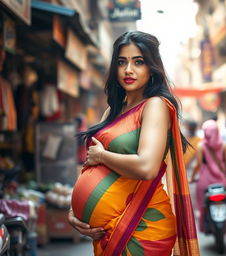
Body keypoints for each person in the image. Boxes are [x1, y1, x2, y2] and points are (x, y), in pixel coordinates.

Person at [68, 31, 200, 255]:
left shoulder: (155, 106)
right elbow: (91, 165)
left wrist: (103, 156)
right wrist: (74, 211)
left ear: (152, 67)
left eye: (138, 62)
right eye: (122, 62)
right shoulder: (114, 110)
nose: (128, 70)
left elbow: (146, 167)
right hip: (109, 230)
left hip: (142, 226)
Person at [189, 120, 226, 236]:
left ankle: (206, 225)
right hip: (221, 180)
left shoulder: (201, 146)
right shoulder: (224, 145)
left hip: (204, 182)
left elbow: (198, 165)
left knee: (203, 205)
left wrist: (192, 178)